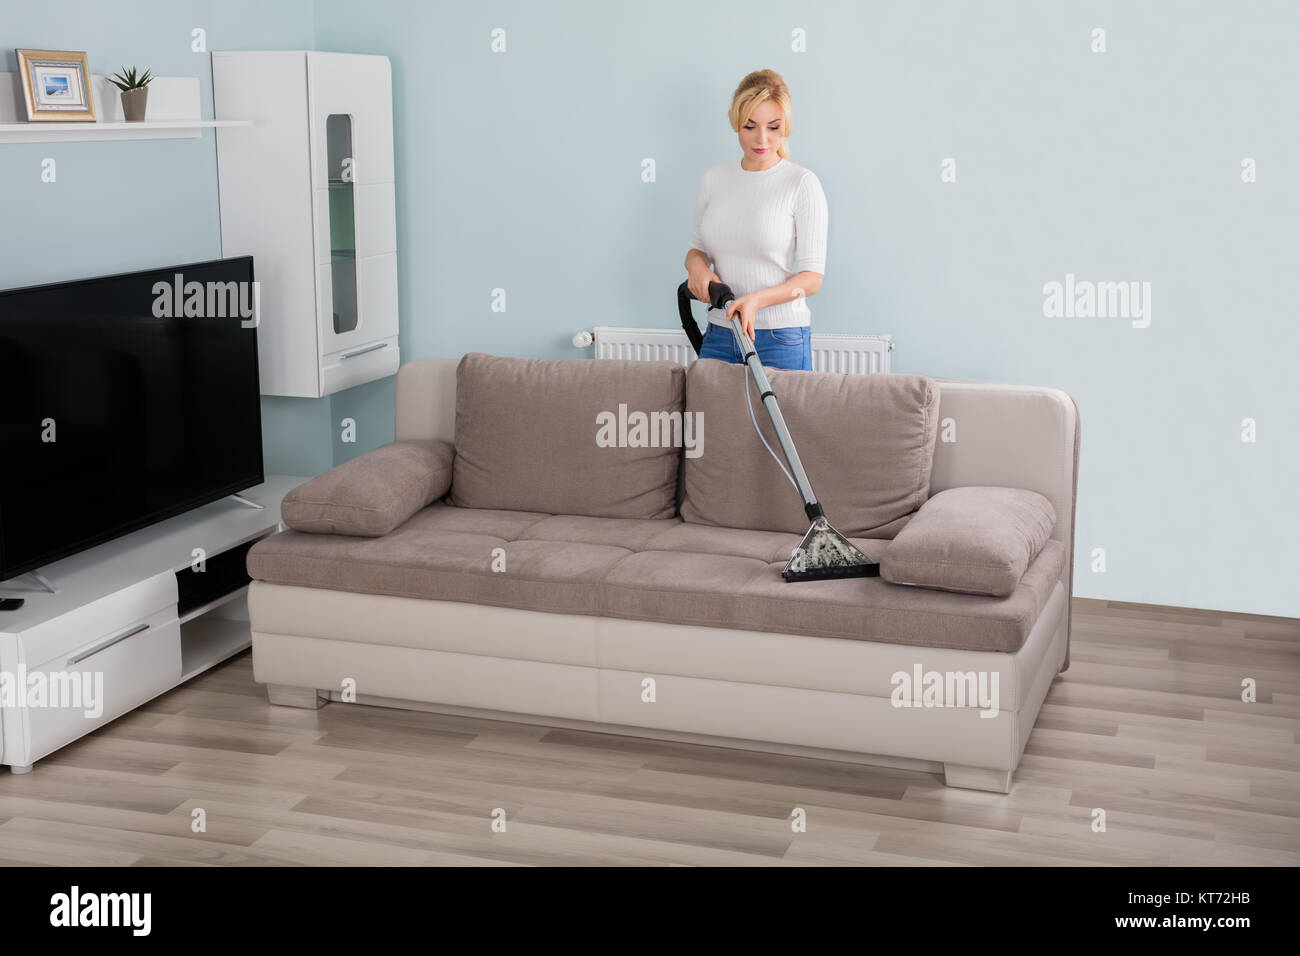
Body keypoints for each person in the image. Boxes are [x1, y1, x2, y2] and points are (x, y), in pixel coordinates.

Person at [684, 69, 828, 371]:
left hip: (780, 338)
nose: (762, 139)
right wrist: (695, 267)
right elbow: (698, 249)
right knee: (714, 419)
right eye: (750, 127)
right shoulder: (714, 180)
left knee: (778, 421)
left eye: (773, 127)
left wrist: (756, 301)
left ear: (785, 126)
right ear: (735, 121)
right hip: (720, 333)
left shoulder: (801, 183)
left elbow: (812, 279)